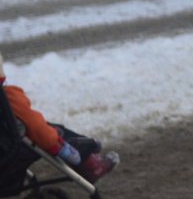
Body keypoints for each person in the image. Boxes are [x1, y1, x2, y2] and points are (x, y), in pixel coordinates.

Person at [0, 51, 119, 184]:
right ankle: (92, 165)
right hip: (9, 152)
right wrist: (56, 145)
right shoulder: (8, 98)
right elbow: (37, 127)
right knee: (56, 132)